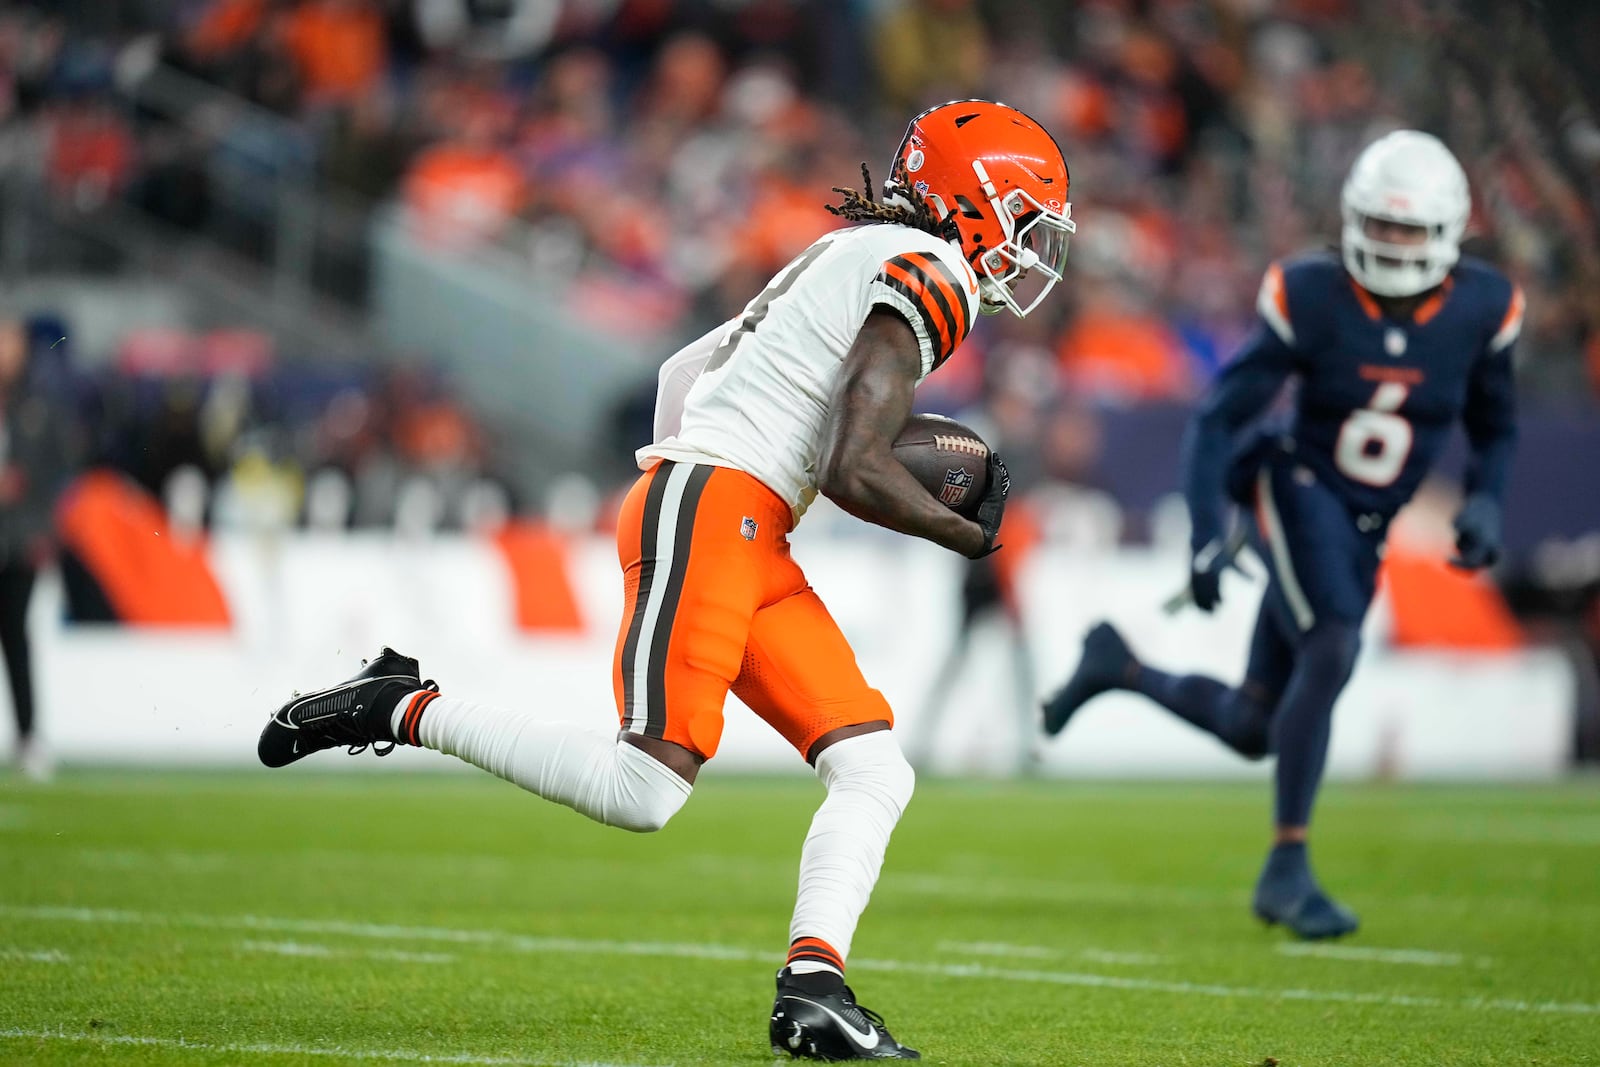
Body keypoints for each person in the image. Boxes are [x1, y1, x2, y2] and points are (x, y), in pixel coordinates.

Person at [257, 100, 1075, 1060]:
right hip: (719, 510)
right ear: (977, 201)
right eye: (1025, 221)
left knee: (873, 764)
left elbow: (695, 367)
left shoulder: (856, 253)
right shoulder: (933, 274)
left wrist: (712, 466)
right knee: (642, 786)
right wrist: (964, 532)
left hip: (737, 515)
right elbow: (856, 467)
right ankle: (396, 704)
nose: (1027, 252)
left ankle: (814, 987)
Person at [1040, 130, 1519, 940]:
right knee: (1334, 642)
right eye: (1382, 225)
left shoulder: (1480, 306)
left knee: (1255, 726)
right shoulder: (1314, 292)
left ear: (1446, 231)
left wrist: (1487, 500)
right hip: (1292, 484)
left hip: (1364, 522)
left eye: (1408, 229)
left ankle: (1116, 664)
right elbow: (1219, 418)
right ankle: (1288, 866)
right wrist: (1204, 529)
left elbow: (1497, 424)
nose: (1392, 244)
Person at [1, 317, 76, 781]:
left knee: (15, 636)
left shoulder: (37, 409)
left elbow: (56, 477)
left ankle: (28, 736)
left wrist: (43, 532)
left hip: (18, 540)